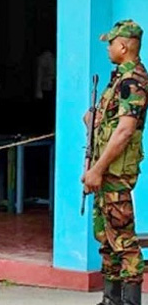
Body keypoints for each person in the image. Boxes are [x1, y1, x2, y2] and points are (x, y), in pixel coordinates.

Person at [82, 19, 147, 305]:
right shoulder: (119, 78)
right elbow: (109, 124)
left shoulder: (133, 81)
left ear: (123, 46)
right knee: (106, 236)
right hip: (106, 172)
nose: (107, 48)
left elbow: (124, 131)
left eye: (110, 43)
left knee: (124, 240)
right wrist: (92, 121)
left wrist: (96, 170)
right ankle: (111, 299)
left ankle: (130, 302)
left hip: (115, 173)